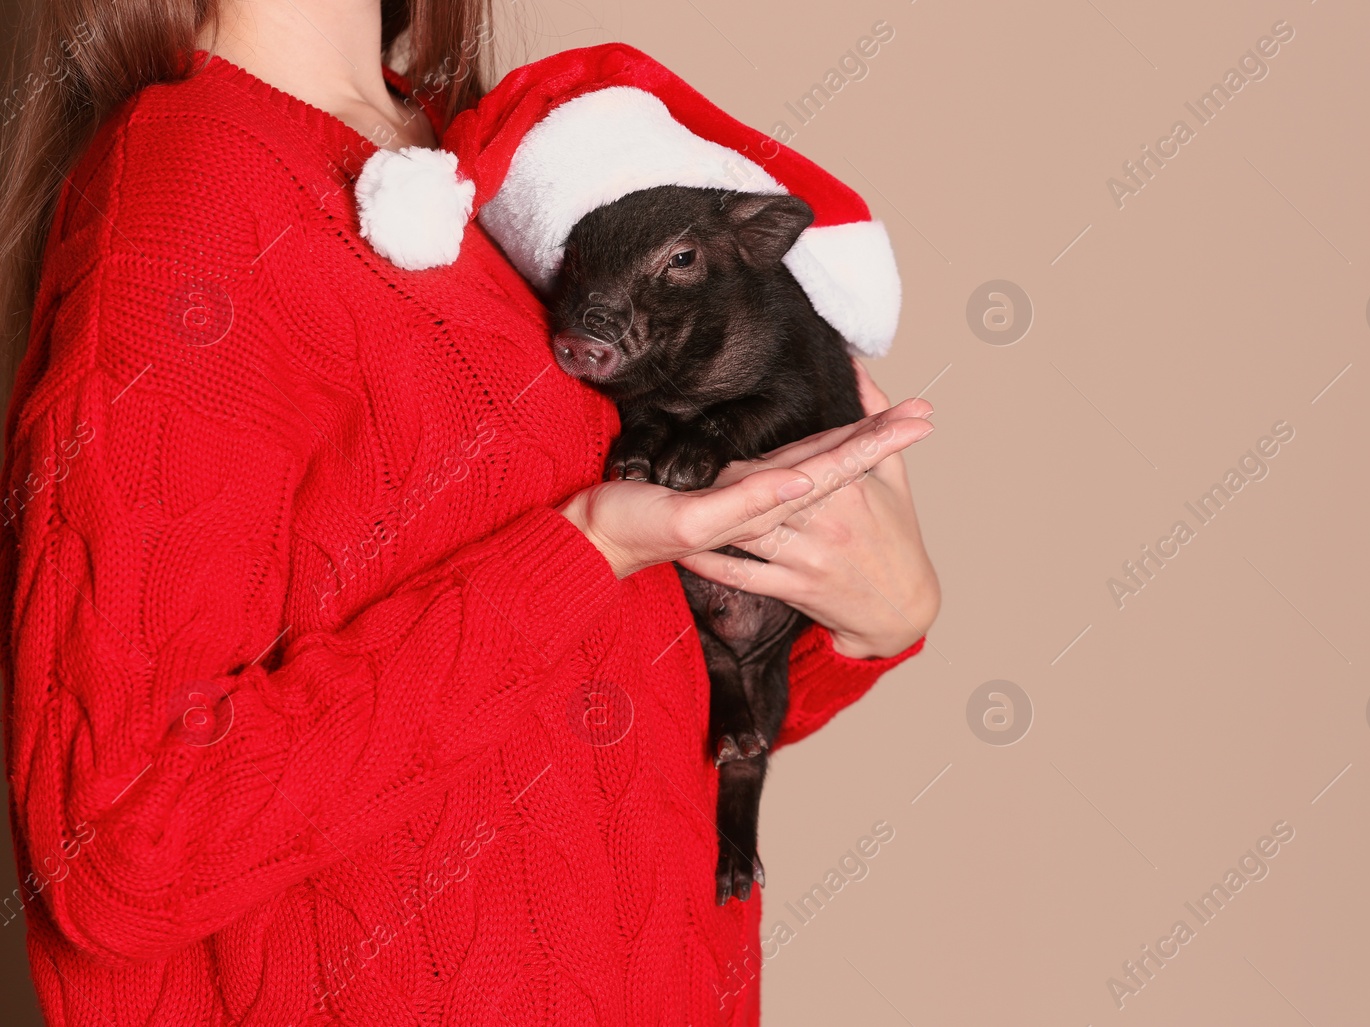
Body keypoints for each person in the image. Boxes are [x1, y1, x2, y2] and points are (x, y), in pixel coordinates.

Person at [0, 0, 939, 1023]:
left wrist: (865, 619)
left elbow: (600, 712)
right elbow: (123, 848)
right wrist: (581, 547)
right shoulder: (194, 192)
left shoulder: (509, 168)